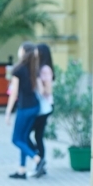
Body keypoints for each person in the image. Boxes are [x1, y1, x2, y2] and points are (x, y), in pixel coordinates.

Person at [6, 42, 45, 179]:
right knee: (23, 138)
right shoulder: (34, 68)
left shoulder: (18, 69)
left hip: (25, 108)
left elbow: (14, 93)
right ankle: (22, 170)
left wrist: (8, 112)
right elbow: (41, 90)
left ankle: (37, 159)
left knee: (16, 139)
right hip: (35, 106)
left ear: (23, 52)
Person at [30, 43, 53, 178]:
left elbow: (47, 91)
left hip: (44, 107)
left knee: (32, 135)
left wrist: (38, 81)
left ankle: (40, 160)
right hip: (41, 107)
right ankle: (40, 163)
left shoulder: (45, 69)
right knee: (37, 136)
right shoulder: (39, 68)